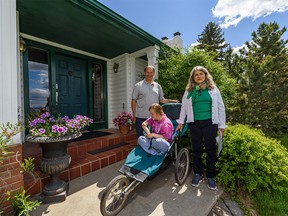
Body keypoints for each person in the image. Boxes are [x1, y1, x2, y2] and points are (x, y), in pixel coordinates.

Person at [176, 66, 226, 191]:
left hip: (210, 123)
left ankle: (210, 176)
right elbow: (184, 107)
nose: (198, 76)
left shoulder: (213, 89)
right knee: (197, 149)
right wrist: (181, 122)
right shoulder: (189, 91)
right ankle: (197, 173)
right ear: (193, 77)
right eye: (196, 74)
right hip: (194, 123)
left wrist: (222, 125)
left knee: (210, 149)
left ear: (205, 75)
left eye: (201, 74)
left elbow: (220, 106)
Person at [131, 65, 178, 137]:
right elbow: (134, 100)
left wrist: (172, 101)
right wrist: (134, 115)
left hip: (155, 118)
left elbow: (162, 100)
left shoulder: (158, 86)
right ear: (144, 73)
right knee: (141, 138)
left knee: (154, 138)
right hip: (141, 117)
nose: (149, 74)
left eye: (151, 72)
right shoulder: (138, 85)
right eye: (147, 72)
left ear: (153, 73)